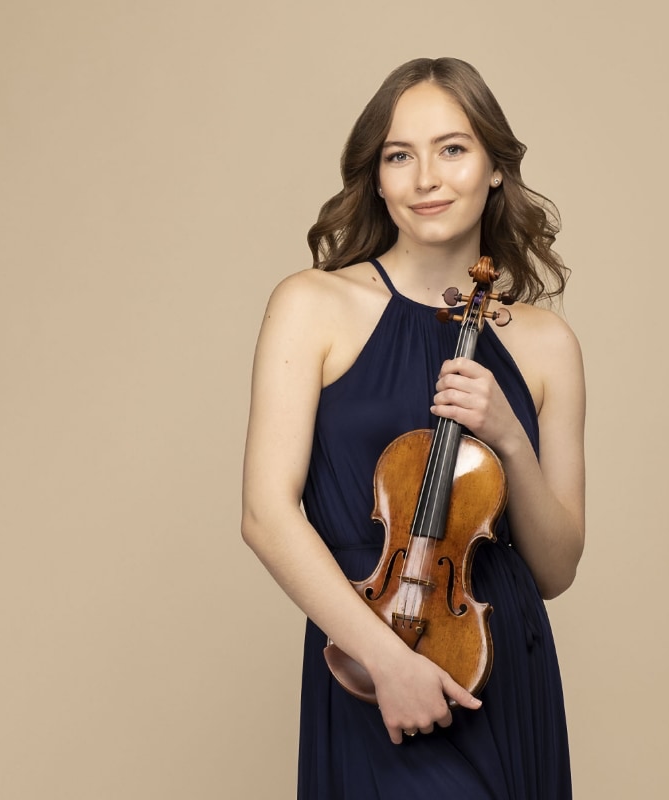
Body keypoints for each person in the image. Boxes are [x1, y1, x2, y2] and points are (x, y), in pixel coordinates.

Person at [242, 57, 585, 799]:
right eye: (400, 156)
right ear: (377, 177)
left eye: (453, 149)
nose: (426, 177)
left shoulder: (546, 344)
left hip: (500, 655)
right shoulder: (312, 304)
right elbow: (266, 515)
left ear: (495, 167)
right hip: (369, 654)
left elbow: (555, 569)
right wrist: (387, 660)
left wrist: (511, 439)